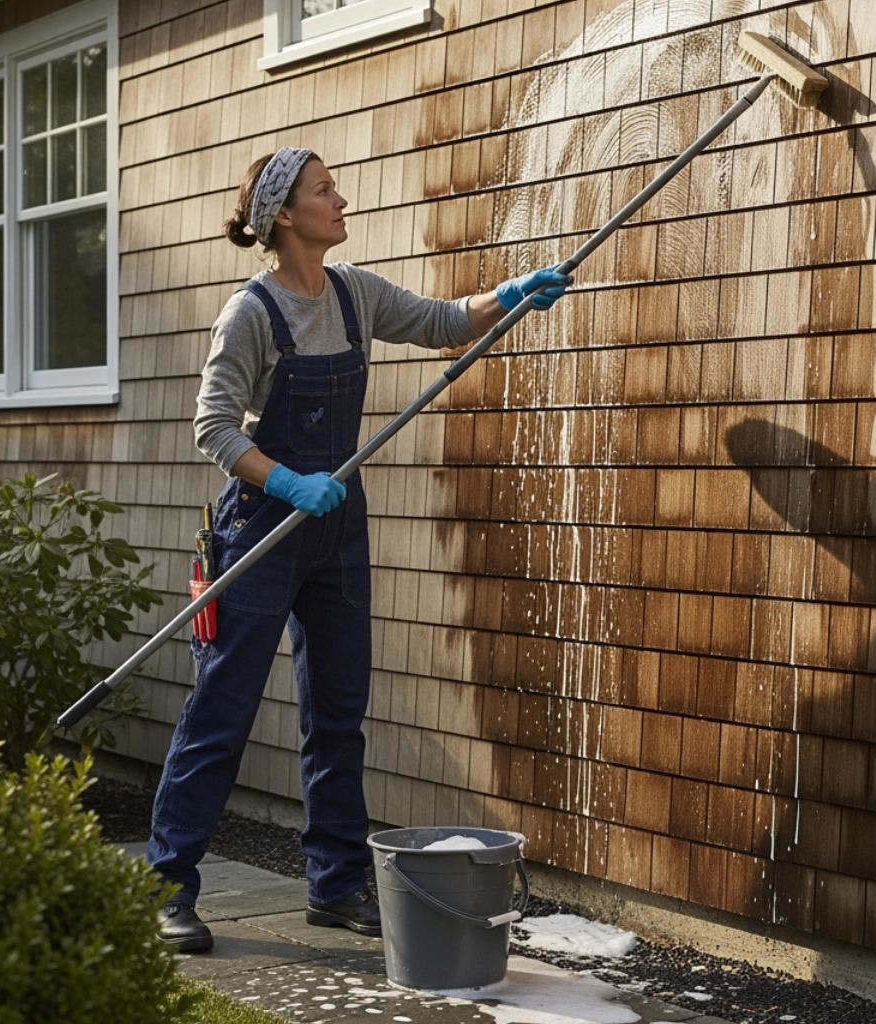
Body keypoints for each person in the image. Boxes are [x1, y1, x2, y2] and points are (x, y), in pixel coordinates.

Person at [150, 146, 571, 952]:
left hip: (338, 529)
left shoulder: (354, 293)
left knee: (338, 715)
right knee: (222, 711)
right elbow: (214, 427)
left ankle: (336, 884)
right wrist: (291, 484)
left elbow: (444, 322)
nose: (340, 200)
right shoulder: (250, 314)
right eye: (323, 190)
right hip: (262, 528)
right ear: (284, 214)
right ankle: (170, 885)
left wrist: (510, 295)